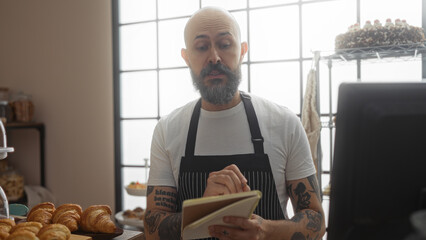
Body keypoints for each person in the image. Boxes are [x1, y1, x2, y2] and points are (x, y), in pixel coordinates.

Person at [144, 6, 326, 240]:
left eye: (225, 44)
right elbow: (151, 228)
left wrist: (265, 231)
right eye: (201, 47)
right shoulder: (167, 130)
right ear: (187, 57)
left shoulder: (285, 123)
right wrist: (204, 209)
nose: (214, 57)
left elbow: (317, 221)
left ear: (242, 51)